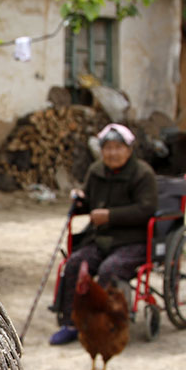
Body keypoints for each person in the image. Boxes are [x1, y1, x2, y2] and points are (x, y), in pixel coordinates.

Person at [48, 123, 157, 345]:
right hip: (100, 239)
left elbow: (147, 210)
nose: (112, 153)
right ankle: (72, 323)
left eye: (118, 147)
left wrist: (111, 215)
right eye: (107, 148)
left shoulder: (142, 174)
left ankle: (104, 326)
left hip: (132, 240)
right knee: (75, 263)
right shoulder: (96, 171)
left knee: (110, 269)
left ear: (129, 149)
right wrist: (79, 200)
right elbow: (89, 203)